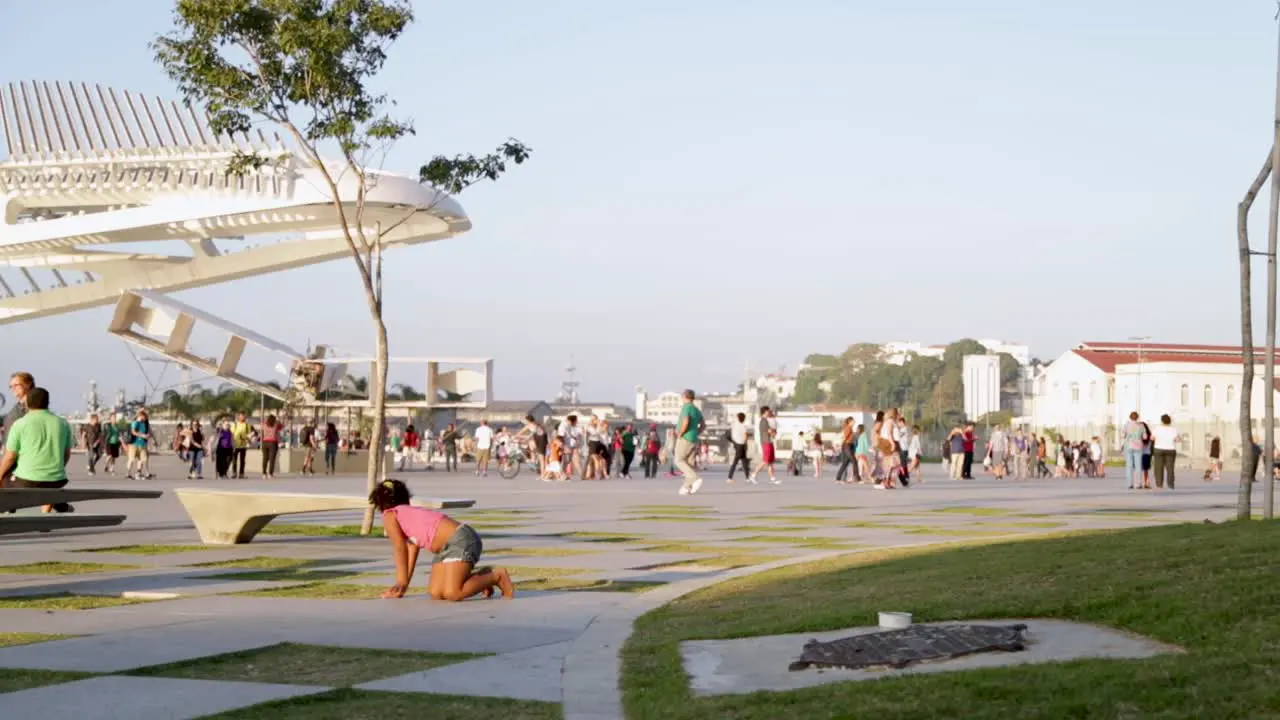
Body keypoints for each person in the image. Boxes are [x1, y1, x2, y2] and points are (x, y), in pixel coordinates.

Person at [371, 479, 514, 601]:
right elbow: (411, 548)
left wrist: (401, 581)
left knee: (453, 593)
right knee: (436, 593)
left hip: (460, 540)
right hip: (446, 548)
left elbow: (399, 548)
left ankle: (496, 575)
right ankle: (480, 580)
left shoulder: (390, 515)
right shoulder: (406, 514)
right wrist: (403, 587)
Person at [0, 388, 75, 513]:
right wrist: (56, 469)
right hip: (57, 479)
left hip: (27, 481)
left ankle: (8, 508)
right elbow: (66, 454)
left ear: (28, 403)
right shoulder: (63, 423)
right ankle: (46, 514)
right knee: (49, 486)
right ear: (48, 403)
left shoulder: (20, 424)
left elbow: (10, 457)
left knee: (5, 478)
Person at [675, 389, 705, 495]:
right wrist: (696, 432)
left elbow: (686, 421)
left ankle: (694, 478)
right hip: (693, 438)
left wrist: (681, 433)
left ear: (684, 397)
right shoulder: (696, 409)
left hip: (685, 438)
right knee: (689, 463)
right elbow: (703, 425)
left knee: (678, 460)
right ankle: (687, 487)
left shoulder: (686, 407)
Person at [749, 407, 779, 485]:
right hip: (766, 442)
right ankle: (753, 475)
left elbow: (770, 430)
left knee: (770, 462)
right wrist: (774, 433)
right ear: (765, 411)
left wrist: (773, 432)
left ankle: (772, 478)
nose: (769, 412)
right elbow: (769, 431)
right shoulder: (763, 421)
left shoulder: (766, 421)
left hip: (769, 441)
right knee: (765, 460)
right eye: (768, 411)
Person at [1121, 412, 1148, 490]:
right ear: (1137, 417)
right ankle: (1138, 484)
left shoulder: (1126, 425)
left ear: (1130, 417)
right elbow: (1145, 437)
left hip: (1128, 446)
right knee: (1138, 465)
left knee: (1129, 465)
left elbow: (1123, 435)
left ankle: (1130, 484)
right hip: (1138, 446)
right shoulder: (1141, 425)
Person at [1151, 414, 1178, 490]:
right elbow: (1177, 439)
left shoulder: (1157, 429)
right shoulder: (1173, 429)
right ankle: (1170, 485)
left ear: (1162, 421)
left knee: (1158, 467)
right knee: (1170, 468)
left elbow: (1152, 438)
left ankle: (1159, 484)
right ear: (1169, 421)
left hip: (1159, 449)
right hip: (1170, 449)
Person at [127, 409, 154, 480]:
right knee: (131, 459)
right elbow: (133, 432)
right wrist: (142, 435)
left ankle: (139, 473)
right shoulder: (135, 422)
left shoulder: (145, 424)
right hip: (134, 444)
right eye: (144, 416)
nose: (145, 418)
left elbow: (149, 432)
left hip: (142, 444)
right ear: (140, 416)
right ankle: (128, 473)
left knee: (143, 459)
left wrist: (149, 436)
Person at [726, 412, 751, 482]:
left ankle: (747, 477)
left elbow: (731, 434)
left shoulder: (734, 425)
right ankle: (729, 478)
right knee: (737, 462)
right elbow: (745, 435)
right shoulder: (743, 426)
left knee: (744, 461)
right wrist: (746, 444)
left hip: (736, 444)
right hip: (741, 445)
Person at [231, 413, 253, 479]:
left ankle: (241, 474)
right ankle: (234, 473)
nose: (243, 417)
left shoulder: (247, 425)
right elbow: (231, 434)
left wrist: (248, 440)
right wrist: (232, 443)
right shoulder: (234, 424)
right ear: (239, 417)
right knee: (234, 460)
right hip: (235, 445)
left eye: (244, 416)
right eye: (241, 416)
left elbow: (249, 434)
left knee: (242, 460)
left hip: (243, 445)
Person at [260, 415, 281, 479]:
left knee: (265, 458)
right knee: (272, 459)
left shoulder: (264, 424)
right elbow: (282, 426)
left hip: (265, 442)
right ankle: (270, 474)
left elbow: (261, 430)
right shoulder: (276, 425)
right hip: (273, 443)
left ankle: (264, 474)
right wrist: (278, 420)